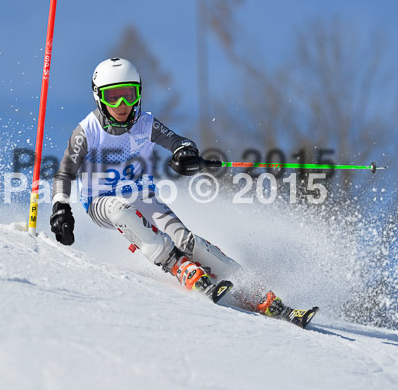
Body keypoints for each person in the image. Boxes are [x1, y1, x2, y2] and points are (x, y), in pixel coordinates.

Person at [50, 57, 285, 316]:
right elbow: (64, 172)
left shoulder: (145, 123)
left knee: (188, 241)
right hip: (101, 201)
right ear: (99, 97)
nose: (122, 105)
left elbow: (177, 141)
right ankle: (175, 264)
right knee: (121, 210)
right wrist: (60, 207)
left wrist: (185, 153)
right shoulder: (87, 130)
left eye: (129, 95)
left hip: (142, 194)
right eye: (112, 97)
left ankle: (255, 292)